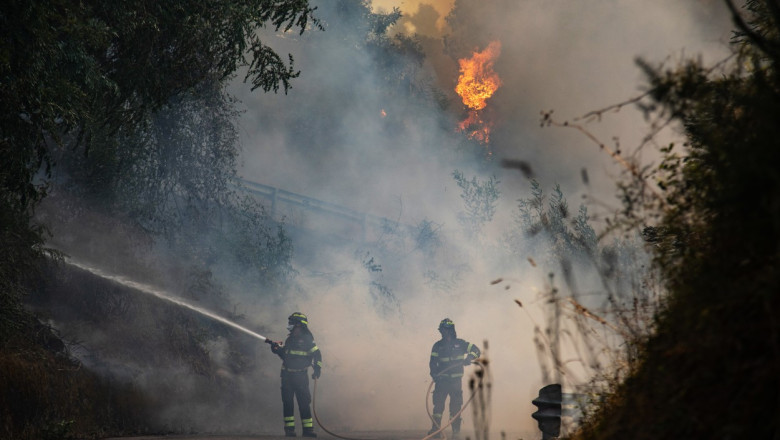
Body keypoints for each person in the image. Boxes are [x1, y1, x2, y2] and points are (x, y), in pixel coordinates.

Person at [269, 312, 323, 437]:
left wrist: (317, 369)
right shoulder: (289, 339)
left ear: (299, 325)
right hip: (287, 377)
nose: (289, 325)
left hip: (301, 377)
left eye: (292, 322)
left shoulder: (308, 339)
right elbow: (286, 357)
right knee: (287, 403)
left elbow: (317, 355)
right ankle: (289, 430)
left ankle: (308, 430)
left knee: (304, 403)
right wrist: (276, 350)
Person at [427, 318, 481, 438]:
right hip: (441, 382)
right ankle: (436, 430)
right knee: (438, 407)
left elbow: (476, 350)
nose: (442, 332)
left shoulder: (461, 344)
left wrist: (469, 358)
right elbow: (432, 363)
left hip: (456, 383)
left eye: (445, 330)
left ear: (450, 330)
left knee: (455, 408)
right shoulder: (437, 346)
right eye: (441, 330)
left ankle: (456, 432)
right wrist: (434, 374)